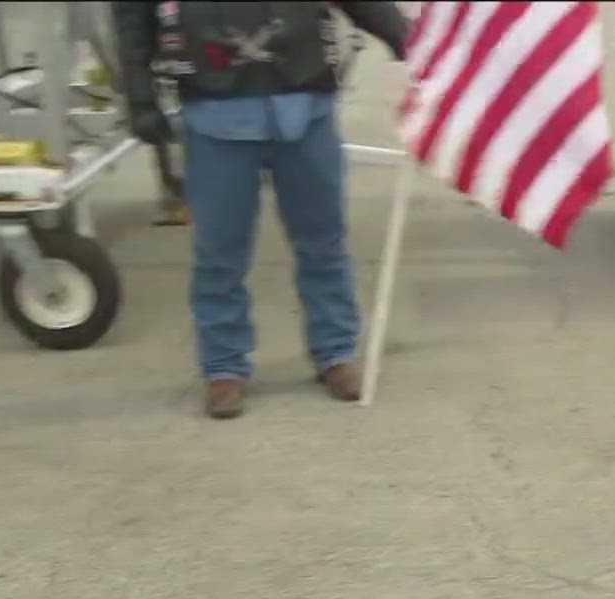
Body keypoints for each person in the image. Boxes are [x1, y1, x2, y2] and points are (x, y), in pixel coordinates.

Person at [113, 1, 410, 419]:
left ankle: (335, 354)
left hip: (306, 108)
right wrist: (140, 98)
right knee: (219, 255)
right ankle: (223, 367)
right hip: (215, 116)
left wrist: (411, 43)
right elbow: (132, 20)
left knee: (324, 244)